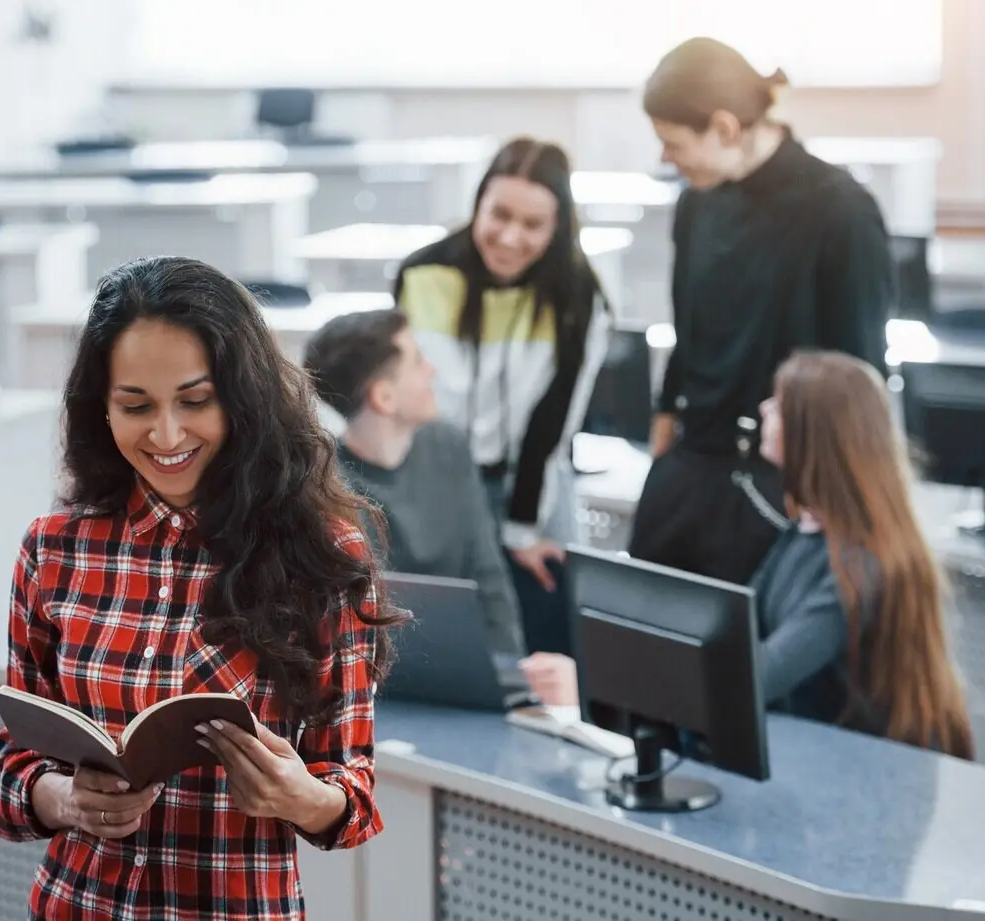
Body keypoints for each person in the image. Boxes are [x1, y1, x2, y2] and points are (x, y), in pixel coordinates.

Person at [0, 256, 406, 920]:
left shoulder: (321, 556)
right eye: (135, 405)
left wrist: (297, 795)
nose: (165, 434)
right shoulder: (54, 548)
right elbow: (17, 762)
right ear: (101, 407)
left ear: (242, 396)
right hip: (80, 903)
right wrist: (62, 797)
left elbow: (351, 797)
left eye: (194, 400)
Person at [525, 351, 974, 758]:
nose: (763, 410)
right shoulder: (807, 531)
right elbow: (729, 634)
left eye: (778, 404)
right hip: (814, 747)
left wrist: (595, 682)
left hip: (860, 769)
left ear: (811, 433)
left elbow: (753, 678)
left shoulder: (859, 564)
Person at [627, 37, 896, 585]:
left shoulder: (840, 210)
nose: (664, 158)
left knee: (745, 661)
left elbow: (858, 375)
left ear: (725, 128)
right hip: (691, 462)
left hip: (781, 480)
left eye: (671, 142)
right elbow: (687, 329)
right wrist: (665, 427)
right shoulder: (696, 202)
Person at [393, 136, 612, 594]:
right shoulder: (421, 275)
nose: (511, 237)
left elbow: (553, 423)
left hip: (532, 485)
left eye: (533, 224)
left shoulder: (577, 297)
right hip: (437, 485)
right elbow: (401, 401)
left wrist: (522, 530)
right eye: (499, 215)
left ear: (558, 227)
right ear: (478, 205)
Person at [304, 308, 526, 659]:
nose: (432, 370)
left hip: (469, 663)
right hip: (384, 677)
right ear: (384, 397)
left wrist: (513, 672)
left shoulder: (448, 449)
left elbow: (489, 576)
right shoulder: (328, 486)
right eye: (418, 361)